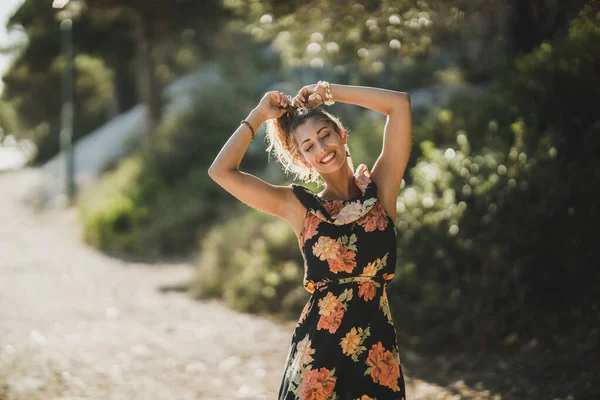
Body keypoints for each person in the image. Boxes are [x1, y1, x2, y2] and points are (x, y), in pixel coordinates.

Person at [208, 81, 412, 399]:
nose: (321, 149)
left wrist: (330, 92)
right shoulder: (300, 207)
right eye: (308, 146)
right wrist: (259, 114)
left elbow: (399, 105)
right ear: (304, 160)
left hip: (377, 353)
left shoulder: (381, 190)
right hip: (321, 355)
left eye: (325, 135)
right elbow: (221, 171)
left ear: (341, 135)